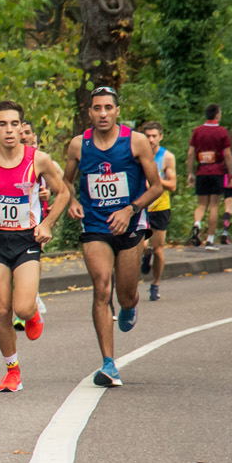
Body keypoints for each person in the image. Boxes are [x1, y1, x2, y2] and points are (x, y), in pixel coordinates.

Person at [0, 101, 71, 393]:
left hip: (26, 240)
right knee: (1, 311)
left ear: (22, 128)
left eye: (14, 125)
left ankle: (33, 313)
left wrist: (46, 224)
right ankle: (12, 371)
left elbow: (64, 193)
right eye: (3, 124)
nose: (9, 130)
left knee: (21, 307)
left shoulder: (39, 160)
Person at [63, 88, 163, 388]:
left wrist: (130, 209)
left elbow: (157, 186)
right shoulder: (79, 145)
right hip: (95, 225)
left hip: (130, 225)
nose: (103, 113)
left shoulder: (135, 142)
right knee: (102, 287)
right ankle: (109, 364)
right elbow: (66, 181)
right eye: (97, 108)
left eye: (108, 107)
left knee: (125, 295)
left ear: (117, 111)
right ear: (89, 112)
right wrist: (71, 201)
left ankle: (131, 306)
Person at [137, 122, 177, 300]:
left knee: (158, 249)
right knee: (140, 246)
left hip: (160, 206)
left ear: (160, 137)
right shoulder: (136, 155)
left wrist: (155, 183)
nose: (151, 139)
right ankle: (146, 255)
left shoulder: (167, 157)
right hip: (141, 205)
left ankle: (155, 284)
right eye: (147, 136)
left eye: (154, 136)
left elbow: (173, 185)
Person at [187, 105, 230, 250]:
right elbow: (228, 154)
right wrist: (230, 172)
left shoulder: (197, 131)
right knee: (214, 205)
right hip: (217, 170)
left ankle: (197, 224)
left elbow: (190, 153)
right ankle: (210, 240)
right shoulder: (222, 131)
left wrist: (190, 172)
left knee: (201, 204)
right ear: (217, 115)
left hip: (201, 171)